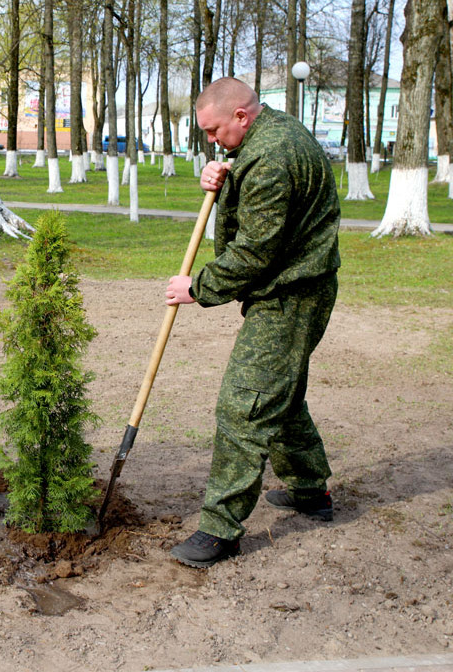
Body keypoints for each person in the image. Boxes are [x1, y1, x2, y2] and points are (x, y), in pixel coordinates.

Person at [165, 77, 341, 568]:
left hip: (291, 295)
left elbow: (256, 250)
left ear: (241, 115)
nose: (212, 140)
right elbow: (257, 204)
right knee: (280, 396)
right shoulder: (270, 134)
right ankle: (310, 491)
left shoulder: (272, 156)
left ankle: (219, 530)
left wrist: (198, 288)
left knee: (246, 404)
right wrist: (220, 183)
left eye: (215, 130)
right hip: (298, 286)